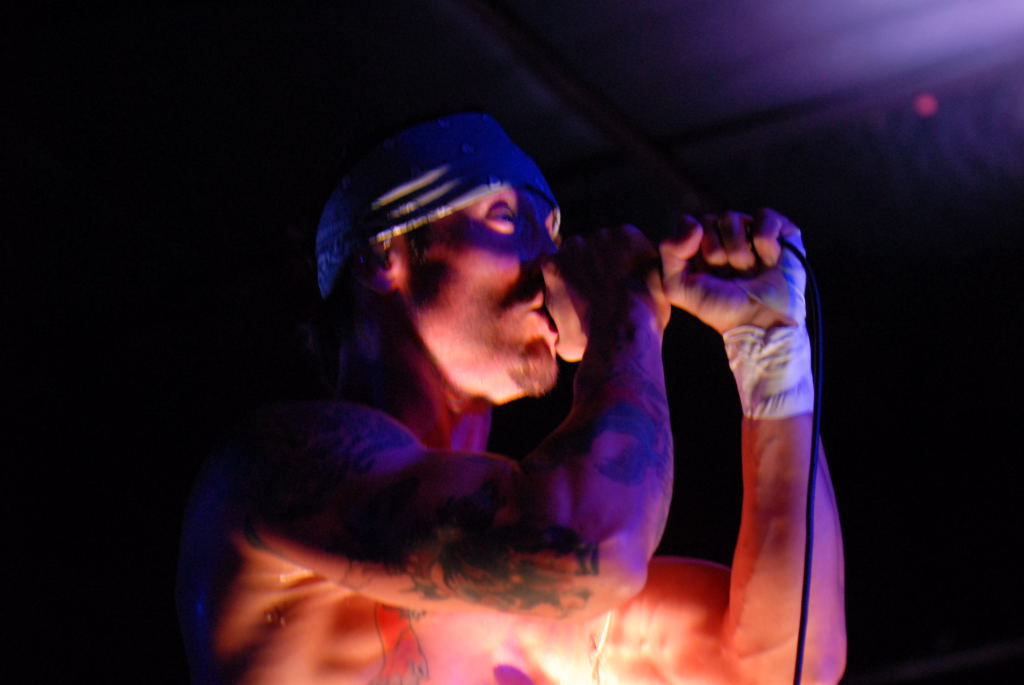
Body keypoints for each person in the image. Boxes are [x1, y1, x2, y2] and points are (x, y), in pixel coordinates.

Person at [177, 112, 846, 684]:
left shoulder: (531, 595)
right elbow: (592, 549)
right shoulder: (282, 461)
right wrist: (624, 313)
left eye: (552, 234)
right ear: (384, 254)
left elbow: (782, 665)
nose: (547, 262)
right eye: (505, 219)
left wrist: (773, 361)